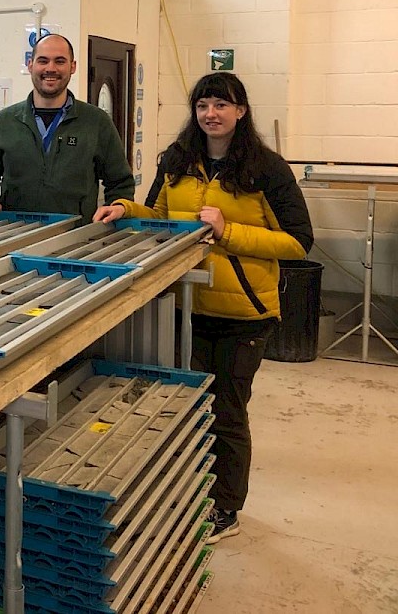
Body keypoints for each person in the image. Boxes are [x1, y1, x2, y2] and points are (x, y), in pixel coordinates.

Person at [93, 72, 313, 543]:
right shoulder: (178, 160)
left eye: (221, 105)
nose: (210, 114)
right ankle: (192, 491)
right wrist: (125, 209)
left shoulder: (266, 169)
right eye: (202, 105)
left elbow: (298, 242)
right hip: (185, 305)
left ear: (241, 111)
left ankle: (226, 508)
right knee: (187, 405)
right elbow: (159, 216)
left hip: (243, 317)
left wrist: (227, 231)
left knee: (227, 412)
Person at [0, 34, 135, 219]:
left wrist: (117, 207)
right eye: (43, 61)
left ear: (72, 66)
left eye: (60, 61)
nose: (50, 68)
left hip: (77, 233)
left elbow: (121, 183)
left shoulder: (96, 121)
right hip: (14, 231)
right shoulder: (5, 121)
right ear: (30, 65)